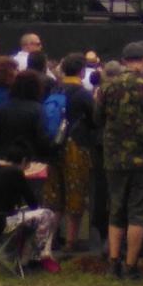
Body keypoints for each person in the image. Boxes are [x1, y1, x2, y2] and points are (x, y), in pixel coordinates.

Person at [95, 41, 143, 279]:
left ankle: (113, 263)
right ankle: (131, 265)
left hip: (114, 159)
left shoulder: (108, 88)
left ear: (123, 61)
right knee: (138, 213)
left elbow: (97, 118)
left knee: (116, 210)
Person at [0, 141, 60, 273]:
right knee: (46, 214)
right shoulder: (15, 173)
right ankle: (33, 260)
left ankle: (23, 259)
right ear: (24, 161)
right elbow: (34, 205)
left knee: (27, 218)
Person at [42, 52, 96, 254]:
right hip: (76, 146)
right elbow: (94, 120)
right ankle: (71, 241)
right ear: (82, 71)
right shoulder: (83, 94)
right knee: (76, 193)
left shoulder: (55, 88)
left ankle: (48, 240)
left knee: (54, 197)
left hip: (54, 146)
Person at [0, 70, 52, 163]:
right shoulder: (38, 110)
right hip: (30, 161)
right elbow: (42, 138)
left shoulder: (2, 109)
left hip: (4, 158)